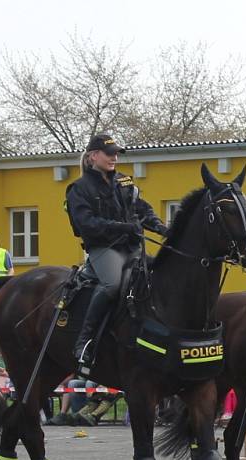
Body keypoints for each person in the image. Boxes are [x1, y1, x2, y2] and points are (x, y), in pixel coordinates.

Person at [65, 133, 168, 373]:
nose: (114, 158)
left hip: (132, 247)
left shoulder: (125, 182)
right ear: (93, 156)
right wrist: (123, 227)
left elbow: (143, 210)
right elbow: (86, 224)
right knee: (112, 285)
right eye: (108, 154)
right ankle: (85, 342)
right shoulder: (79, 189)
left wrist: (162, 227)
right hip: (104, 248)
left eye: (116, 154)